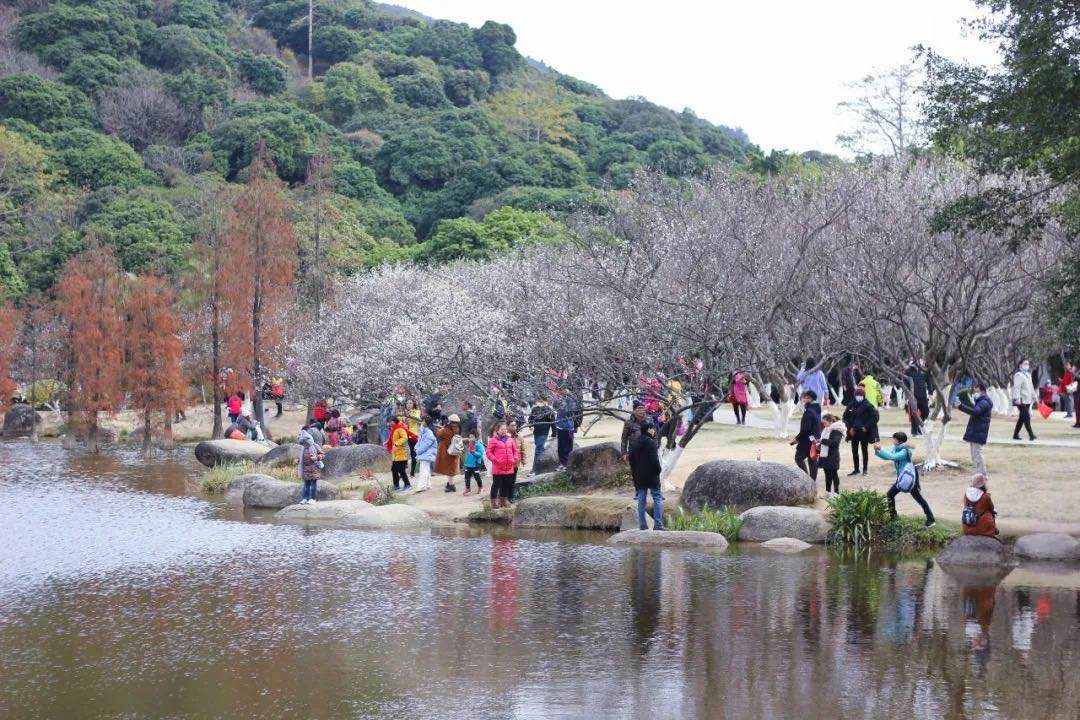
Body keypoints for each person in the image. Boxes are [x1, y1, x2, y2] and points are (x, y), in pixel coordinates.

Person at [875, 431, 935, 527]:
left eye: (894, 439)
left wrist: (880, 449)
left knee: (917, 498)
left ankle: (931, 519)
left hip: (909, 477)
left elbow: (892, 457)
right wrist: (878, 451)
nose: (892, 440)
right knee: (891, 494)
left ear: (899, 441)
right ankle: (893, 517)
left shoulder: (904, 451)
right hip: (903, 476)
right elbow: (888, 456)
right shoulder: (897, 448)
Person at [629, 424, 664, 530]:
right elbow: (655, 460)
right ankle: (658, 524)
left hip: (639, 476)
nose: (654, 431)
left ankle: (642, 525)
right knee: (657, 498)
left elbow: (631, 460)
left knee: (641, 500)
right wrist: (659, 470)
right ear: (648, 430)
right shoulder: (651, 443)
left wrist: (635, 474)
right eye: (653, 429)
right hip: (652, 475)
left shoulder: (635, 443)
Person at [958, 383, 993, 476]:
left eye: (976, 390)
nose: (975, 393)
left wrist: (961, 407)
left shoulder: (984, 401)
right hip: (977, 430)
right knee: (974, 454)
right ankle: (978, 473)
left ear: (982, 390)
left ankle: (982, 474)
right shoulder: (980, 400)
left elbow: (975, 412)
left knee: (978, 454)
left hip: (979, 431)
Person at [843, 386, 879, 476]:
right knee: (854, 451)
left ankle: (865, 469)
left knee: (864, 450)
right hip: (853, 431)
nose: (859, 397)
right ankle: (856, 469)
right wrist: (849, 428)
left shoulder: (868, 405)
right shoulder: (851, 405)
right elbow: (845, 417)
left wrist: (866, 427)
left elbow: (874, 417)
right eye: (857, 395)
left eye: (860, 395)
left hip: (864, 432)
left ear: (864, 396)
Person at [486, 422, 520, 509]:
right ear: (498, 430)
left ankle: (503, 501)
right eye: (502, 429)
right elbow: (488, 452)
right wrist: (495, 460)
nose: (504, 431)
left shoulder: (510, 440)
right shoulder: (493, 440)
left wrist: (514, 459)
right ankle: (494, 502)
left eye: (505, 429)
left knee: (506, 484)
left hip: (509, 466)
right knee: (496, 484)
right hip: (498, 467)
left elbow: (515, 451)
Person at [790, 390, 821, 481]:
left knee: (799, 458)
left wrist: (797, 439)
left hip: (806, 440)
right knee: (812, 460)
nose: (804, 399)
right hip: (815, 439)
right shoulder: (817, 409)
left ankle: (806, 479)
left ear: (810, 399)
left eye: (806, 398)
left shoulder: (809, 411)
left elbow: (805, 429)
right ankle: (812, 481)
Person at [818, 412, 846, 496]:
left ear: (830, 421)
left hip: (833, 456)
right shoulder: (827, 429)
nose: (824, 424)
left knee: (834, 474)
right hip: (825, 455)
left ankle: (837, 492)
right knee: (827, 474)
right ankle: (828, 492)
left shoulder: (837, 430)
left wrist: (822, 441)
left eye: (825, 423)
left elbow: (834, 443)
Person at [1011, 360, 1037, 441]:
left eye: (1028, 364)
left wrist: (1034, 396)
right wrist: (1017, 398)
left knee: (1022, 418)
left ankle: (1015, 435)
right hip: (1021, 400)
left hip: (1027, 400)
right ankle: (1031, 435)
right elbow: (1016, 388)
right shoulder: (1018, 375)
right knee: (1026, 417)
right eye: (1025, 364)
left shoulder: (1028, 375)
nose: (1027, 365)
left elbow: (1031, 386)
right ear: (1020, 365)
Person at [435, 414, 461, 492]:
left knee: (449, 469)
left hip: (447, 451)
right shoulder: (457, 429)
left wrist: (441, 428)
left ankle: (451, 485)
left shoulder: (446, 429)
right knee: (451, 468)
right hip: (454, 450)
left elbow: (438, 434)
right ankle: (450, 483)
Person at [298, 428, 324, 505]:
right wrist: (298, 461)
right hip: (305, 469)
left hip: (314, 468)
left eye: (305, 443)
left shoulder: (315, 446)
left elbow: (322, 454)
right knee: (306, 485)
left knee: (313, 485)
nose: (304, 444)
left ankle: (312, 498)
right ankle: (305, 498)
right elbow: (301, 458)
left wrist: (317, 458)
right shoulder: (303, 448)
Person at [527, 396, 556, 467]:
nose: (539, 402)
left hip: (544, 432)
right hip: (536, 432)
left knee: (538, 450)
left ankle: (535, 467)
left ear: (545, 401)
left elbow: (553, 422)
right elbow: (530, 418)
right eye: (538, 401)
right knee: (540, 448)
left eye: (540, 401)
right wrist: (530, 425)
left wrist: (554, 433)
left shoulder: (548, 410)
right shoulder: (534, 409)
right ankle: (544, 465)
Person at [386, 414, 411, 492]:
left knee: (401, 470)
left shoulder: (400, 428)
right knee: (394, 470)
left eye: (390, 422)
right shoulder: (394, 429)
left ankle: (407, 485)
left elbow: (405, 438)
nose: (389, 423)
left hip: (401, 453)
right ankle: (396, 486)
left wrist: (396, 443)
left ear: (393, 421)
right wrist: (387, 442)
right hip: (395, 454)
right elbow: (393, 440)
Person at [413, 418, 437, 492]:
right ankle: (427, 485)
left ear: (426, 423)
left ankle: (422, 486)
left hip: (427, 454)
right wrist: (416, 447)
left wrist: (418, 450)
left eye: (423, 421)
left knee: (424, 470)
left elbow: (426, 445)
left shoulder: (429, 433)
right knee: (426, 469)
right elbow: (419, 441)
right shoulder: (423, 431)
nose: (422, 422)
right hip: (425, 454)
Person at [554, 394, 577, 466]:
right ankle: (563, 463)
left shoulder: (571, 399)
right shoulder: (558, 398)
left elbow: (573, 411)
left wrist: (576, 426)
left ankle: (568, 463)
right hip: (561, 426)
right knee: (561, 447)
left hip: (569, 427)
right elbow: (555, 406)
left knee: (568, 446)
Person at [507, 419, 526, 495]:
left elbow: (522, 450)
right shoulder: (505, 437)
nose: (514, 427)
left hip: (515, 463)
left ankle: (511, 496)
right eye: (512, 425)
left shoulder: (519, 437)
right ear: (508, 427)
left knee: (513, 480)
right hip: (506, 463)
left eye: (515, 425)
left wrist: (523, 460)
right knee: (507, 480)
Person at [405, 399, 422, 476]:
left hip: (413, 434)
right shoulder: (404, 412)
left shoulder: (416, 411)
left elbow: (418, 420)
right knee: (405, 452)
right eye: (407, 403)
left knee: (413, 453)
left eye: (410, 403)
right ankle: (404, 471)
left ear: (413, 404)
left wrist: (409, 416)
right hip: (405, 434)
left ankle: (412, 472)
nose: (409, 404)